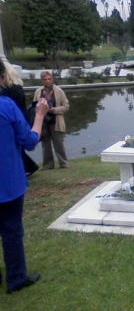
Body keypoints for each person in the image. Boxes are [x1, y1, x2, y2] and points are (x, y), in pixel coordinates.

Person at [0, 59, 48, 293]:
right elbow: (29, 142)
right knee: (11, 230)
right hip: (7, 183)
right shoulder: (6, 107)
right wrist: (39, 115)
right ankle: (16, 278)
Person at [0, 61, 39, 177]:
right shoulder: (12, 90)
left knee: (18, 145)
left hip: (17, 120)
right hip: (15, 119)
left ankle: (29, 167)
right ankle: (29, 167)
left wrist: (39, 117)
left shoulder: (12, 90)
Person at [33, 71, 70, 169]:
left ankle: (64, 163)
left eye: (49, 79)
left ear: (52, 79)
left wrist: (54, 110)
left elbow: (66, 106)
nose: (48, 81)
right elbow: (34, 106)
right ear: (42, 81)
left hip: (55, 121)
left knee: (58, 143)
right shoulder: (38, 92)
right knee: (45, 144)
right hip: (43, 122)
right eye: (45, 79)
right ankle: (48, 165)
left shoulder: (59, 91)